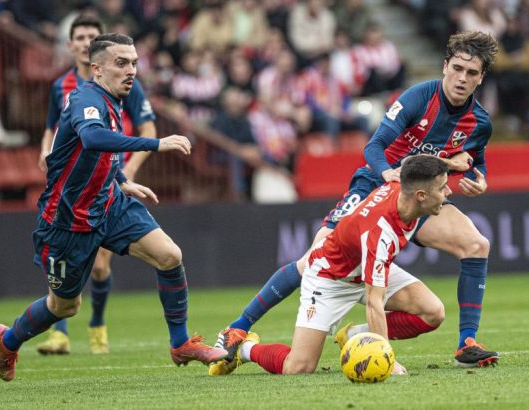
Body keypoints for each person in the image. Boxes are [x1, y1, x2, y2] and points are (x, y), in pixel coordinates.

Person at [210, 31, 500, 373]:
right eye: (457, 68)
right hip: (375, 187)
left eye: (471, 73)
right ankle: (239, 327)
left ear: (481, 78)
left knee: (476, 244)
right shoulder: (418, 98)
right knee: (314, 259)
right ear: (445, 66)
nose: (462, 78)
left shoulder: (479, 121)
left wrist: (479, 180)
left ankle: (464, 340)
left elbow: (476, 161)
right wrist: (389, 175)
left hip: (420, 198)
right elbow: (373, 147)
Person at [0, 33, 227, 382]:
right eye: (121, 63)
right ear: (97, 68)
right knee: (65, 306)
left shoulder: (114, 98)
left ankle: (180, 344)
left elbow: (90, 154)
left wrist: (122, 179)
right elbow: (92, 138)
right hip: (68, 220)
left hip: (110, 202)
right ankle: (8, 341)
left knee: (170, 256)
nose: (131, 70)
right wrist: (156, 143)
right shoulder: (88, 97)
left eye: (133, 62)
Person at [220, 156, 458, 375]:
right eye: (442, 188)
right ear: (421, 196)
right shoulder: (380, 234)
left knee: (432, 312)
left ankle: (354, 336)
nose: (448, 192)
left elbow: (412, 163)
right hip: (330, 277)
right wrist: (388, 360)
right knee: (299, 367)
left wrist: (456, 165)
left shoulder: (401, 184)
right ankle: (245, 349)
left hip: (363, 263)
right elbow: (374, 301)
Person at [37, 15, 157, 355]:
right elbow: (52, 127)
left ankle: (97, 325)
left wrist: (128, 170)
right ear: (72, 45)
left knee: (101, 265)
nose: (86, 39)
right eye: (81, 36)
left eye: (92, 34)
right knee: (63, 257)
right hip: (71, 180)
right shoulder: (61, 87)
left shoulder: (125, 79)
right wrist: (45, 150)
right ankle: (59, 333)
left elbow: (148, 129)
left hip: (113, 177)